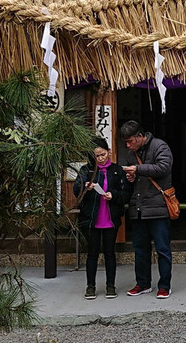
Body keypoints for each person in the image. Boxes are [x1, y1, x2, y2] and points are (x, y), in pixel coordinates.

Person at [119, 120, 174, 299]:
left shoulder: (160, 146)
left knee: (162, 249)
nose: (128, 145)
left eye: (130, 141)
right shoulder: (130, 154)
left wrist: (138, 169)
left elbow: (164, 167)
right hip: (139, 207)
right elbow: (133, 181)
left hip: (158, 206)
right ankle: (142, 283)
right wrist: (130, 177)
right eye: (125, 142)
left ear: (140, 136)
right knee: (140, 249)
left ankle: (164, 285)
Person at [73, 138, 129, 299]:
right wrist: (84, 187)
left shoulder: (117, 170)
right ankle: (90, 287)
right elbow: (76, 190)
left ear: (109, 151)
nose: (100, 158)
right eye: (96, 156)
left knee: (110, 253)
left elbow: (126, 194)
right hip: (91, 217)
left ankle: (110, 286)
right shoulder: (86, 170)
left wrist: (115, 195)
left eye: (103, 154)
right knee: (92, 253)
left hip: (111, 217)